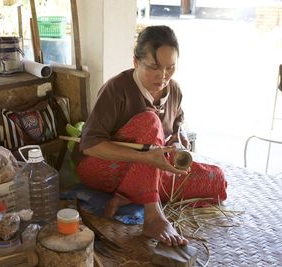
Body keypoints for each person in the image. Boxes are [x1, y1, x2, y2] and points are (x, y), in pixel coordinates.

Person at [75, 25, 227, 247]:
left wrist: (178, 137)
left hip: (147, 170)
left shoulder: (174, 90)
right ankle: (153, 215)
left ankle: (132, 192)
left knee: (216, 179)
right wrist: (146, 158)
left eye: (170, 68)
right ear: (136, 61)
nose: (163, 76)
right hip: (103, 168)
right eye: (154, 67)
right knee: (149, 121)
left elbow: (177, 122)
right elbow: (90, 146)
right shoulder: (116, 89)